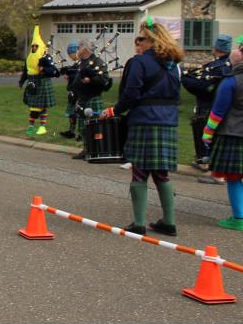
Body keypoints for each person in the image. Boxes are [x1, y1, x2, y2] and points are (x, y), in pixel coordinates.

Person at [102, 18, 183, 236]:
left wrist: (115, 110)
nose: (137, 43)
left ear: (150, 40)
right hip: (168, 122)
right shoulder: (174, 65)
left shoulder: (140, 62)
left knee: (139, 172)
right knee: (161, 173)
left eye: (140, 39)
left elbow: (131, 93)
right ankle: (169, 222)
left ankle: (139, 223)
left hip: (145, 120)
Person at [202, 47, 243, 231]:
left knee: (234, 177)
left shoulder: (231, 81)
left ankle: (239, 218)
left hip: (233, 134)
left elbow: (217, 112)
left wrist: (207, 133)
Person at [183, 34, 232, 171]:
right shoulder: (232, 65)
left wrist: (185, 80)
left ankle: (205, 160)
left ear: (216, 48)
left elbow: (199, 85)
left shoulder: (214, 67)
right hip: (227, 108)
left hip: (208, 105)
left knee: (207, 133)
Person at [70, 40, 111, 159]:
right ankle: (86, 149)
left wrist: (91, 80)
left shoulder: (97, 62)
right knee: (83, 126)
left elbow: (104, 79)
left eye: (79, 47)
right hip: (82, 98)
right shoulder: (82, 62)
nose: (78, 49)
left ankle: (95, 150)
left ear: (85, 49)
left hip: (92, 97)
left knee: (93, 125)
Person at [19, 29, 60, 136]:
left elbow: (54, 72)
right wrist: (22, 81)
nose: (34, 48)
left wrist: (44, 69)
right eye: (33, 46)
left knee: (41, 107)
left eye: (36, 46)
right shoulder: (29, 57)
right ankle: (32, 127)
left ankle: (41, 127)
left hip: (42, 83)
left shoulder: (46, 57)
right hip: (32, 82)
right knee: (33, 108)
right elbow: (26, 70)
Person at [59, 42, 81, 140]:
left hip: (79, 92)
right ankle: (71, 132)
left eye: (70, 54)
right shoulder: (76, 64)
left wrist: (69, 74)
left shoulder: (82, 63)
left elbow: (78, 76)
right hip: (72, 91)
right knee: (72, 113)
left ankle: (81, 134)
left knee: (79, 113)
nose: (70, 56)